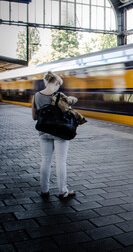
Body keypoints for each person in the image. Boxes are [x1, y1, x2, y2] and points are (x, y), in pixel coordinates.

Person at [31, 71, 76, 200]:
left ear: (46, 82)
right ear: (56, 83)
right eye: (58, 85)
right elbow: (68, 114)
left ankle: (44, 190)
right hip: (60, 133)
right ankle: (63, 191)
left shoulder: (36, 96)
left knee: (45, 161)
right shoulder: (60, 96)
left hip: (43, 132)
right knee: (61, 161)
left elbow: (34, 117)